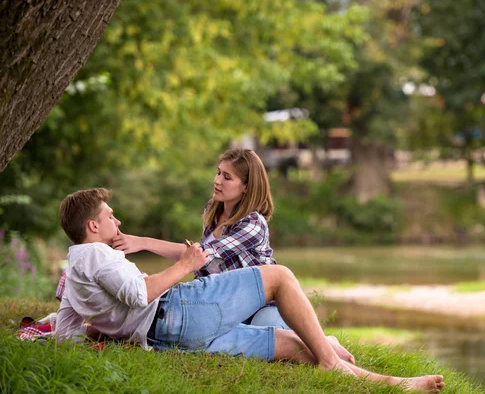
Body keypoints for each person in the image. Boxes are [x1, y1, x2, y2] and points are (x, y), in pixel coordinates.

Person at [56, 188, 445, 393]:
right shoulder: (98, 256)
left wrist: (94, 332)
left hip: (170, 336)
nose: (116, 219)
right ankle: (330, 357)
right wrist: (185, 266)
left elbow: (68, 327)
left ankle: (394, 385)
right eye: (109, 215)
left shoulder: (76, 265)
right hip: (177, 314)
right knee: (278, 275)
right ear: (93, 227)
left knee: (293, 346)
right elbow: (140, 294)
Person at [112, 148, 286, 328]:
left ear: (247, 187)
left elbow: (201, 255)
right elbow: (198, 257)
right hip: (229, 304)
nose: (216, 181)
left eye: (227, 177)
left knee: (266, 331)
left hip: (261, 305)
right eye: (218, 173)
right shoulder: (213, 209)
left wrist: (143, 243)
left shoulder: (253, 223)